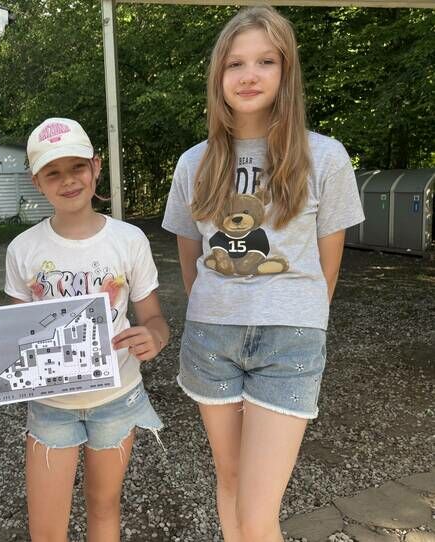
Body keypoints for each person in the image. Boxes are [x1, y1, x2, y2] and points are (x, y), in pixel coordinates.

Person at [162, 7, 365, 541]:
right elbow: (191, 259)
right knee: (229, 481)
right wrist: (219, 306)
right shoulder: (193, 163)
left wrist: (299, 316)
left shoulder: (325, 156)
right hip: (212, 337)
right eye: (235, 63)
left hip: (290, 339)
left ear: (286, 70)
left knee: (257, 515)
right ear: (218, 76)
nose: (249, 75)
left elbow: (328, 264)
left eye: (265, 61)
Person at [5, 118, 169, 541]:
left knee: (104, 507)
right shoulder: (23, 249)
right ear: (36, 181)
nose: (67, 180)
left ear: (96, 166)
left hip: (118, 398)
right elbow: (15, 338)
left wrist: (154, 337)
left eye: (77, 166)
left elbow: (154, 318)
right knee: (46, 526)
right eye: (52, 172)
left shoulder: (129, 240)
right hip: (51, 405)